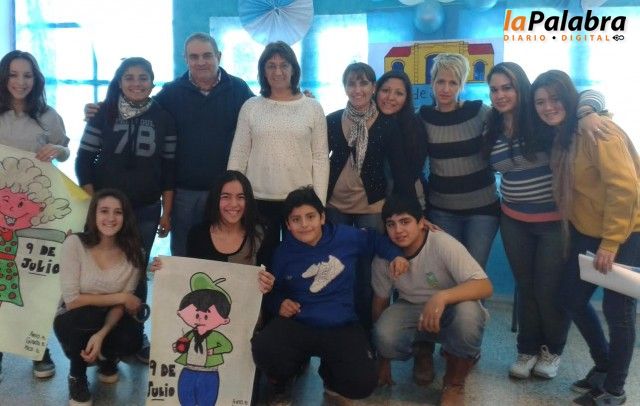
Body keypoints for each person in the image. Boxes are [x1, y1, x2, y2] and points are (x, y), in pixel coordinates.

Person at [485, 62, 607, 380]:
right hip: (513, 221)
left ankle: (552, 350)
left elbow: (589, 94)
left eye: (507, 87)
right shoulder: (491, 124)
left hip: (553, 222)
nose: (500, 95)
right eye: (494, 89)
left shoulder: (542, 116)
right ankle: (526, 350)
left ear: (521, 88)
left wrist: (588, 112)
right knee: (526, 288)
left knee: (549, 290)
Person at [85, 33, 254, 257]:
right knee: (182, 256)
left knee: (221, 253)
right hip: (183, 193)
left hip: (223, 192)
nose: (201, 62)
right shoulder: (172, 92)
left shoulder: (239, 89)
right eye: (194, 57)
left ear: (219, 56)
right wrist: (103, 107)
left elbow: (259, 116)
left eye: (207, 55)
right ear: (186, 59)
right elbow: (140, 105)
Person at [532, 70, 639, 406]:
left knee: (618, 311)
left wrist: (611, 243)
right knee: (571, 298)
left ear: (570, 98)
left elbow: (624, 188)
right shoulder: (565, 134)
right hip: (588, 232)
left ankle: (614, 390)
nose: (548, 107)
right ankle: (604, 365)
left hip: (626, 232)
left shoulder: (598, 130)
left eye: (555, 99)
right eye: (540, 102)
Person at [251, 186, 409, 405]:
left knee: (363, 382)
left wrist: (396, 256)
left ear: (322, 217)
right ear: (287, 225)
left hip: (340, 324)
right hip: (299, 323)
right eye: (296, 219)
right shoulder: (282, 253)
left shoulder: (344, 237)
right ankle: (282, 381)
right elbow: (269, 292)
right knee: (264, 348)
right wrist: (279, 303)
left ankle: (332, 378)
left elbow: (375, 240)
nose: (304, 224)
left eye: (310, 216)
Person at [372, 196, 492, 406]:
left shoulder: (441, 242)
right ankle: (422, 351)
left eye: (405, 221)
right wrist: (382, 358)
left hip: (450, 307)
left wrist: (441, 296)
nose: (398, 230)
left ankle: (454, 383)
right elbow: (380, 302)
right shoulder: (384, 257)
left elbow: (485, 286)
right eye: (391, 224)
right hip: (410, 307)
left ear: (421, 223)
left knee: (469, 315)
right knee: (384, 334)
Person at [325, 62, 414, 331]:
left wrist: (413, 212)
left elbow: (400, 169)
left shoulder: (387, 124)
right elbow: (317, 160)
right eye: (351, 83)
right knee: (339, 267)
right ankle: (340, 326)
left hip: (372, 207)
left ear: (373, 87)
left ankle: (364, 333)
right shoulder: (332, 120)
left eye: (363, 83)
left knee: (366, 271)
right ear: (344, 87)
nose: (358, 89)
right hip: (335, 205)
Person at [0, 50, 71, 379]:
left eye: (27, 75)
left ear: (36, 79)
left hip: (35, 213)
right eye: (13, 75)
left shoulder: (48, 116)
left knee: (33, 280)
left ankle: (37, 348)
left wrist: (58, 149)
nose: (20, 82)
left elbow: (65, 150)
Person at [227, 41, 328, 269]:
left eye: (284, 65)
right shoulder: (251, 106)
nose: (278, 71)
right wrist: (233, 197)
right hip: (258, 199)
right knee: (263, 262)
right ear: (263, 71)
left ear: (294, 69)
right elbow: (239, 154)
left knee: (301, 262)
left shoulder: (313, 107)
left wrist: (319, 203)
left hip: (301, 201)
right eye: (271, 66)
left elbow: (321, 158)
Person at [53, 189, 145, 406]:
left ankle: (107, 357)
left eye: (118, 212)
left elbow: (121, 306)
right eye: (104, 211)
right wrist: (122, 296)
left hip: (110, 317)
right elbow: (72, 300)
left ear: (125, 217)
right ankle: (77, 375)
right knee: (86, 316)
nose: (111, 218)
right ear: (93, 214)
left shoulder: (135, 253)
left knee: (132, 339)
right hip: (73, 318)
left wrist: (102, 334)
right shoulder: (74, 243)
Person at [419, 53, 499, 269]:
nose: (446, 88)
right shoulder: (422, 118)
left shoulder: (480, 112)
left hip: (482, 210)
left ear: (461, 85)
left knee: (474, 272)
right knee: (449, 272)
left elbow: (512, 125)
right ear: (432, 82)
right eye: (440, 81)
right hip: (442, 210)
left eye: (453, 83)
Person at [151, 170, 274, 292]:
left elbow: (268, 280)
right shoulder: (198, 234)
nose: (234, 204)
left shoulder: (260, 234)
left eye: (241, 197)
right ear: (216, 199)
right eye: (226, 197)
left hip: (246, 304)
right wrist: (164, 270)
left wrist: (268, 283)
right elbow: (188, 277)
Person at [375, 70, 429, 207]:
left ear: (407, 98)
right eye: (385, 90)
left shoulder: (415, 125)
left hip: (409, 199)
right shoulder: (365, 123)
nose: (390, 97)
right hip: (370, 203)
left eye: (399, 93)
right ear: (375, 91)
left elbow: (414, 170)